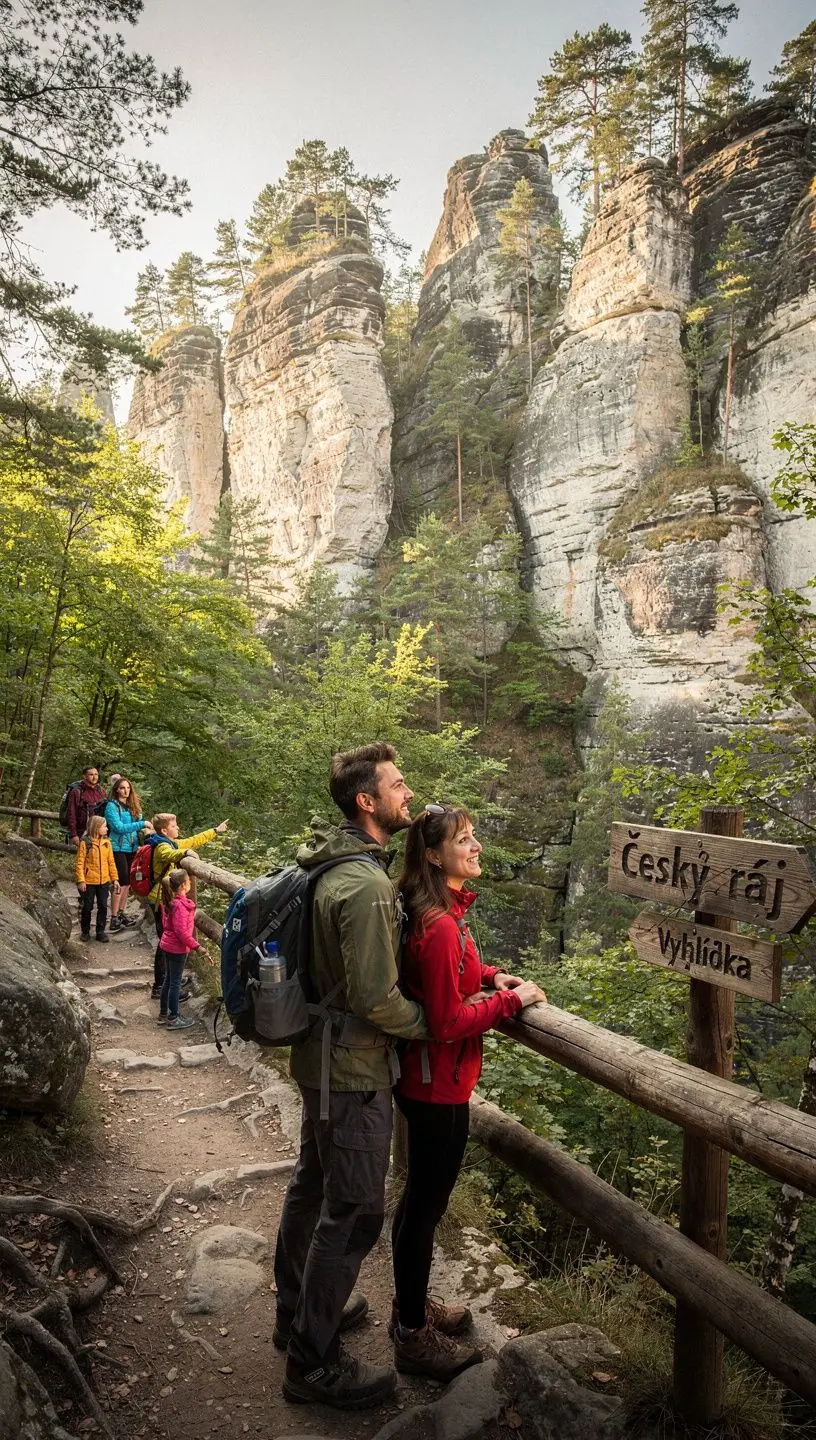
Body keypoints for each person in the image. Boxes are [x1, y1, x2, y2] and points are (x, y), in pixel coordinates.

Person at [274, 742, 428, 1412]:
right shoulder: (364, 887)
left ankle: (296, 1314)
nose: (409, 795)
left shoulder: (330, 860)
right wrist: (440, 1022)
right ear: (366, 801)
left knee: (312, 1186)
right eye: (397, 786)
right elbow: (376, 999)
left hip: (318, 1061)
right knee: (356, 1212)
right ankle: (311, 1365)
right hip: (353, 1070)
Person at [391, 803, 546, 1379]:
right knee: (425, 1209)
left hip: (433, 1080)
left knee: (418, 1203)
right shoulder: (438, 924)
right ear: (434, 855)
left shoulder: (441, 913)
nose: (477, 846)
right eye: (464, 839)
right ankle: (411, 1332)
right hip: (437, 1086)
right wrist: (512, 1000)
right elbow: (447, 1020)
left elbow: (454, 971)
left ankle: (411, 1306)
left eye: (475, 836)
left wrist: (489, 976)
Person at [146, 813, 228, 999]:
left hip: (162, 898)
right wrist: (185, 853)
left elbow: (191, 841)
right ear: (165, 830)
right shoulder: (161, 846)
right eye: (174, 826)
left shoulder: (167, 841)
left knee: (165, 939)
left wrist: (215, 831)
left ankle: (169, 977)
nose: (178, 829)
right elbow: (171, 854)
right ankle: (161, 985)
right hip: (159, 899)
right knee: (164, 942)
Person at [157, 868, 202, 1031]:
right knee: (175, 982)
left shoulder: (170, 903)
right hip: (177, 948)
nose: (190, 883)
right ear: (183, 885)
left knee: (169, 980)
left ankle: (163, 1014)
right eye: (189, 881)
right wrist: (197, 946)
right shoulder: (180, 907)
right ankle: (174, 1017)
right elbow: (182, 932)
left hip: (167, 945)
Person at [105, 778, 150, 932]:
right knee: (120, 881)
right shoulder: (112, 806)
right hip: (117, 847)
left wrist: (141, 821)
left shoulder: (131, 807)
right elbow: (118, 827)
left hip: (132, 847)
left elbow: (138, 825)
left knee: (129, 882)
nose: (126, 791)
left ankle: (122, 913)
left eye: (128, 788)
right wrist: (141, 824)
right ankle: (114, 917)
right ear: (117, 790)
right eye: (122, 788)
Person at [75, 814, 119, 943]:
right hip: (89, 881)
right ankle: (85, 931)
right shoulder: (85, 843)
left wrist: (115, 879)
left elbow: (111, 862)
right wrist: (81, 880)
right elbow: (79, 863)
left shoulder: (107, 843)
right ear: (96, 827)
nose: (107, 829)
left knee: (103, 906)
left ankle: (100, 931)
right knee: (87, 906)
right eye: (104, 826)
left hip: (104, 881)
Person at [66, 765, 106, 847]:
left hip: (100, 833)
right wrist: (74, 835)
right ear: (84, 776)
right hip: (83, 832)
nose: (94, 777)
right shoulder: (77, 792)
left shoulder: (101, 791)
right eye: (91, 775)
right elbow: (71, 813)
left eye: (96, 774)